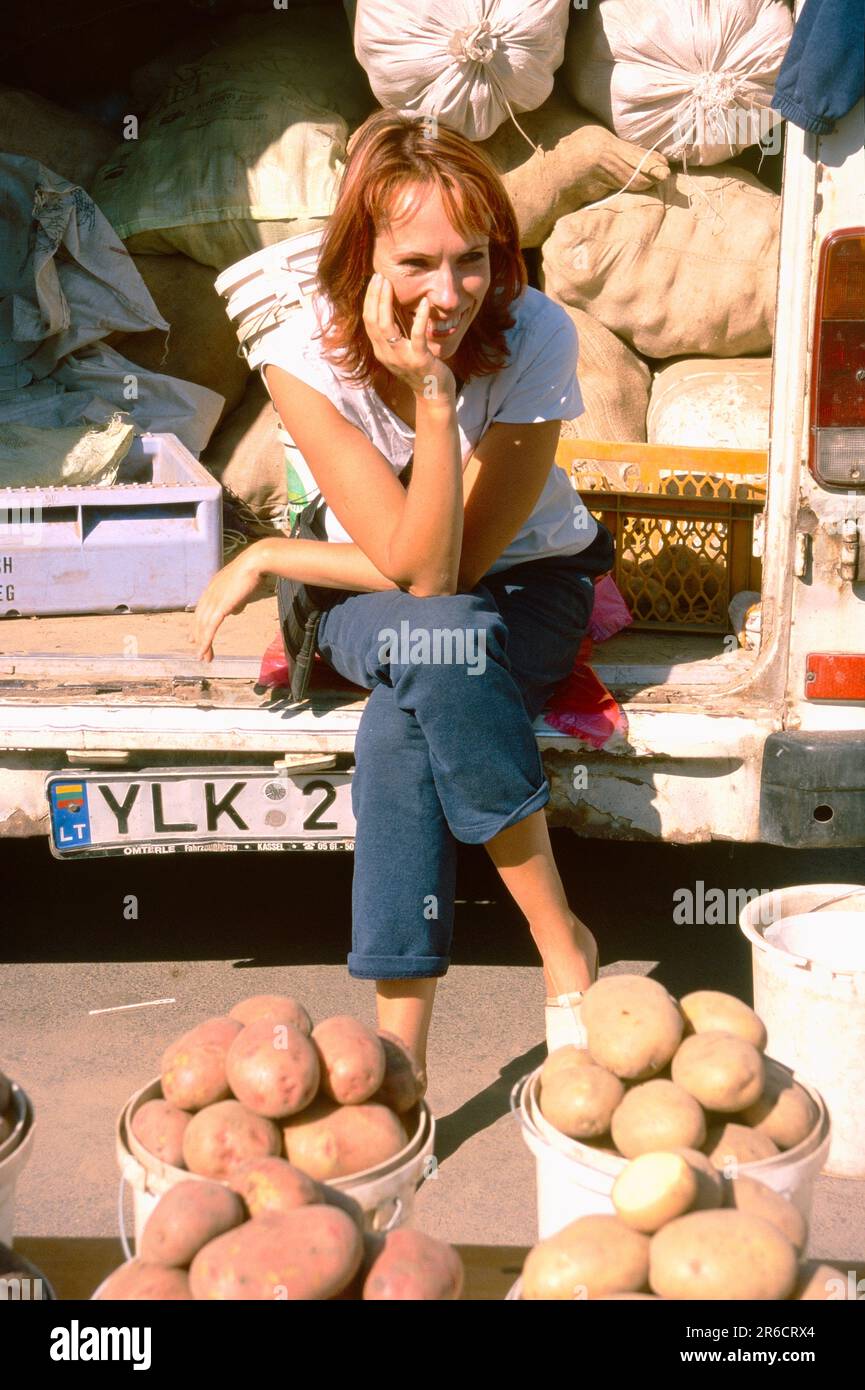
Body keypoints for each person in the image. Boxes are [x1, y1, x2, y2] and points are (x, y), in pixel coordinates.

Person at [194, 109, 615, 1093]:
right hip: (372, 589)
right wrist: (299, 554)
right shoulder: (302, 350)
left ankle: (408, 1059)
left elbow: (446, 569)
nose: (452, 290)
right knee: (443, 646)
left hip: (523, 580)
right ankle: (563, 942)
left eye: (473, 259)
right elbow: (409, 566)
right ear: (361, 256)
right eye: (418, 261)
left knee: (409, 709)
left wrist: (430, 396)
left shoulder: (535, 333)